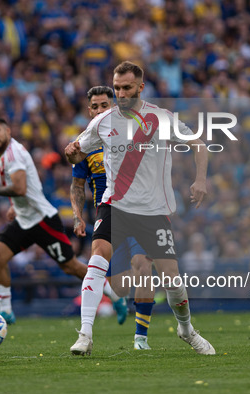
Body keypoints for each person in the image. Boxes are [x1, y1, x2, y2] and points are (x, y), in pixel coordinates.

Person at [65, 61, 215, 355]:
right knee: (98, 257)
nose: (120, 94)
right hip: (115, 204)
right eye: (117, 88)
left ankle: (186, 330)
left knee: (171, 277)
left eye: (127, 88)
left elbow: (199, 144)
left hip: (153, 210)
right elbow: (76, 154)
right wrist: (70, 152)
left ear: (140, 88)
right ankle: (85, 335)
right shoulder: (102, 121)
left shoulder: (161, 119)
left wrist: (200, 180)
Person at [0, 116, 123, 324]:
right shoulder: (1, 156)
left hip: (42, 220)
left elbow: (20, 188)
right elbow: (22, 187)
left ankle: (113, 294)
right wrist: (14, 206)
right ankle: (6, 313)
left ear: (7, 131)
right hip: (25, 219)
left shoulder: (13, 154)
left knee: (70, 266)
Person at [70, 86, 155, 350]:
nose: (98, 111)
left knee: (143, 266)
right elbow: (76, 185)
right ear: (89, 110)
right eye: (94, 106)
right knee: (118, 284)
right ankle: (108, 308)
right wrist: (77, 217)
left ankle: (140, 338)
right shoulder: (85, 144)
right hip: (108, 212)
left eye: (103, 105)